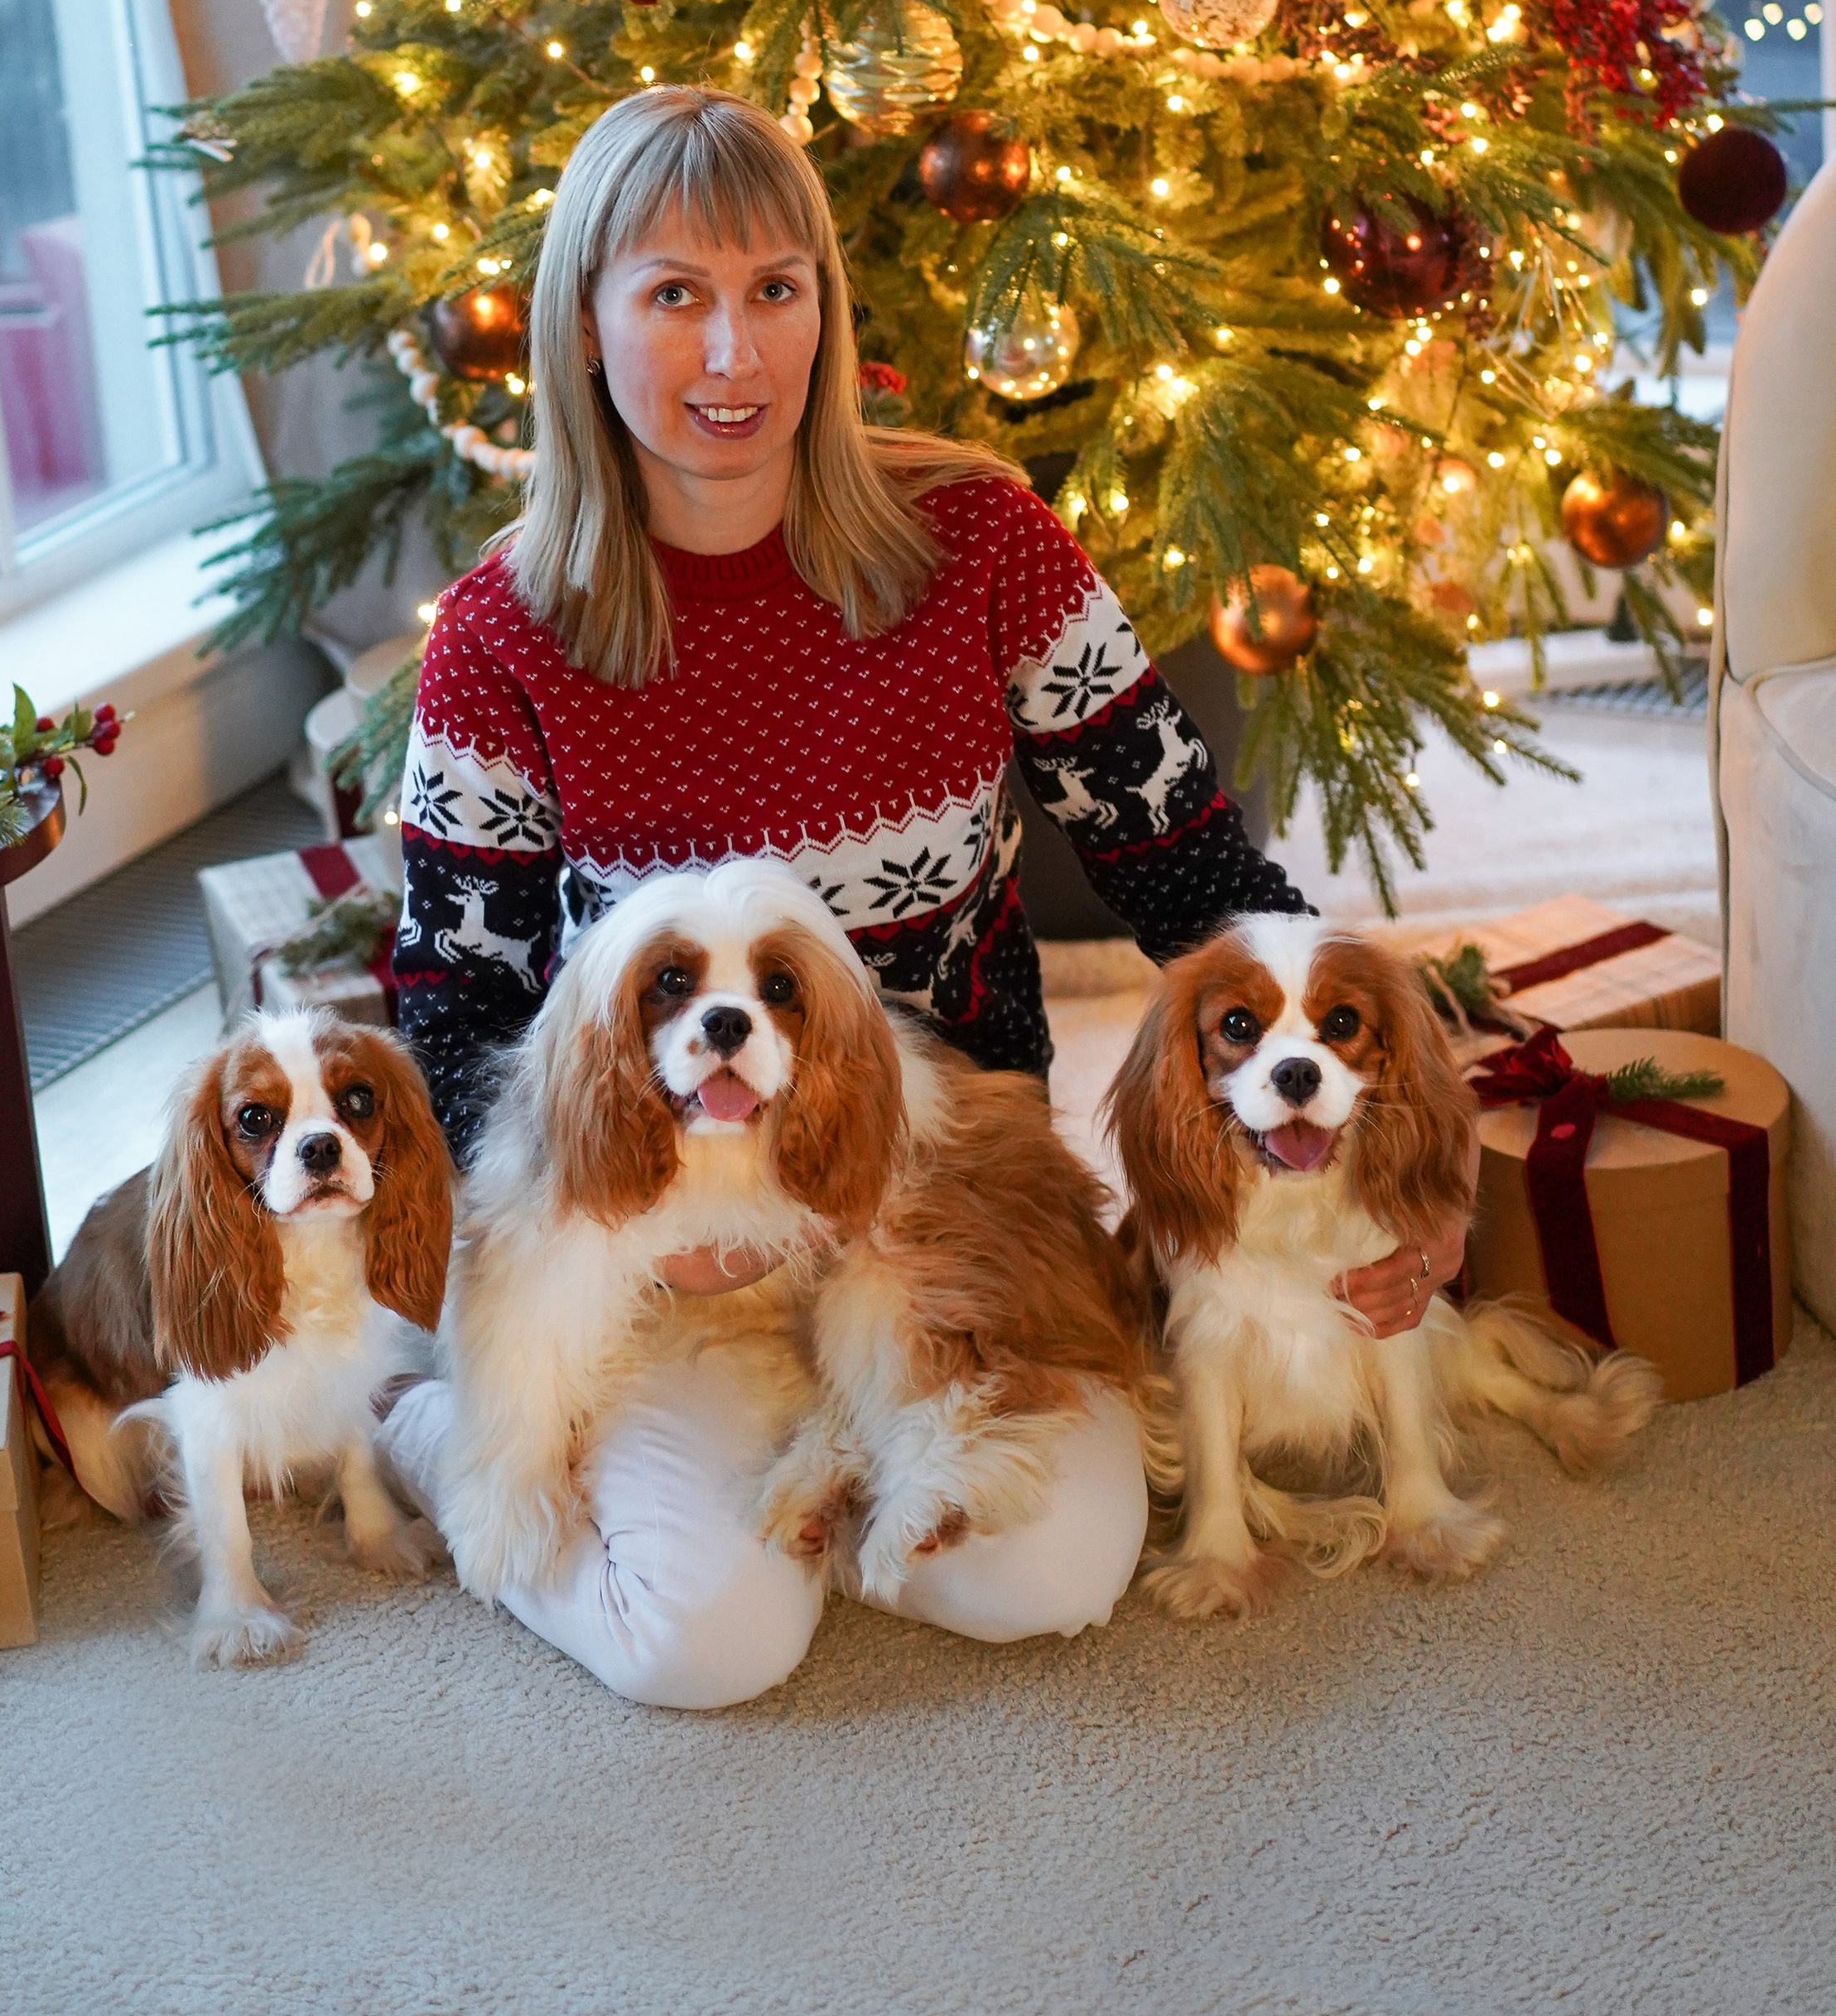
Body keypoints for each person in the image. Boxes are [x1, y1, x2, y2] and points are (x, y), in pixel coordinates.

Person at [378, 87, 1467, 1704]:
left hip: (945, 1198)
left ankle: (833, 1448)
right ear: (582, 327)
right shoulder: (501, 633)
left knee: (1048, 1576)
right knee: (707, 1646)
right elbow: (453, 1008)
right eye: (673, 294)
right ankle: (430, 1419)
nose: (734, 353)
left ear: (825, 304)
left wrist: (1403, 1155)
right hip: (670, 1232)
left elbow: (1192, 874)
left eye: (774, 288)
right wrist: (640, 1239)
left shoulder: (980, 542)